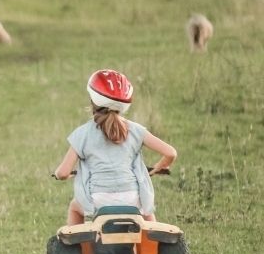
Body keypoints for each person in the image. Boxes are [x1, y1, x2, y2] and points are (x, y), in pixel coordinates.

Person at [52, 69, 176, 225]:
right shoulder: (136, 130)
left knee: (74, 207)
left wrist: (58, 175)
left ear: (92, 102)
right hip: (132, 199)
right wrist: (159, 166)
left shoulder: (82, 133)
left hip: (98, 201)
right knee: (146, 212)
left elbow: (63, 173)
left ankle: (80, 248)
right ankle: (152, 245)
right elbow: (171, 153)